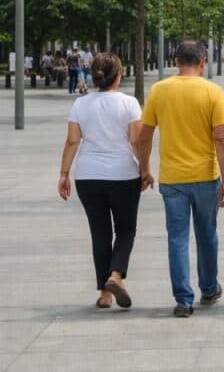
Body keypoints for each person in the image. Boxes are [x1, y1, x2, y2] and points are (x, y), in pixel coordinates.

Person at [138, 41, 224, 317]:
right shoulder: (213, 92)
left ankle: (183, 299)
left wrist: (144, 169)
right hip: (205, 176)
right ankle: (209, 288)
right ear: (202, 62)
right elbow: (221, 137)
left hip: (172, 178)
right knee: (207, 234)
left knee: (177, 238)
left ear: (176, 61)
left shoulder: (159, 91)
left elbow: (145, 136)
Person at [58, 53, 147, 309]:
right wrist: (145, 169)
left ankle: (105, 295)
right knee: (126, 230)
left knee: (100, 233)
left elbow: (73, 141)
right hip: (123, 175)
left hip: (88, 176)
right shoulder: (130, 103)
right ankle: (115, 275)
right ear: (118, 75)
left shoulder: (80, 104)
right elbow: (136, 141)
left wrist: (64, 174)